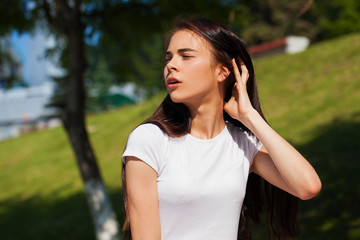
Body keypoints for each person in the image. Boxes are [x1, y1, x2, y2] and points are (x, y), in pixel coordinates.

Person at [121, 17, 321, 240]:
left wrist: (250, 117)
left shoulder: (242, 142)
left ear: (222, 71)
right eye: (169, 57)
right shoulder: (149, 139)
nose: (171, 65)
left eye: (186, 56)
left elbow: (307, 186)